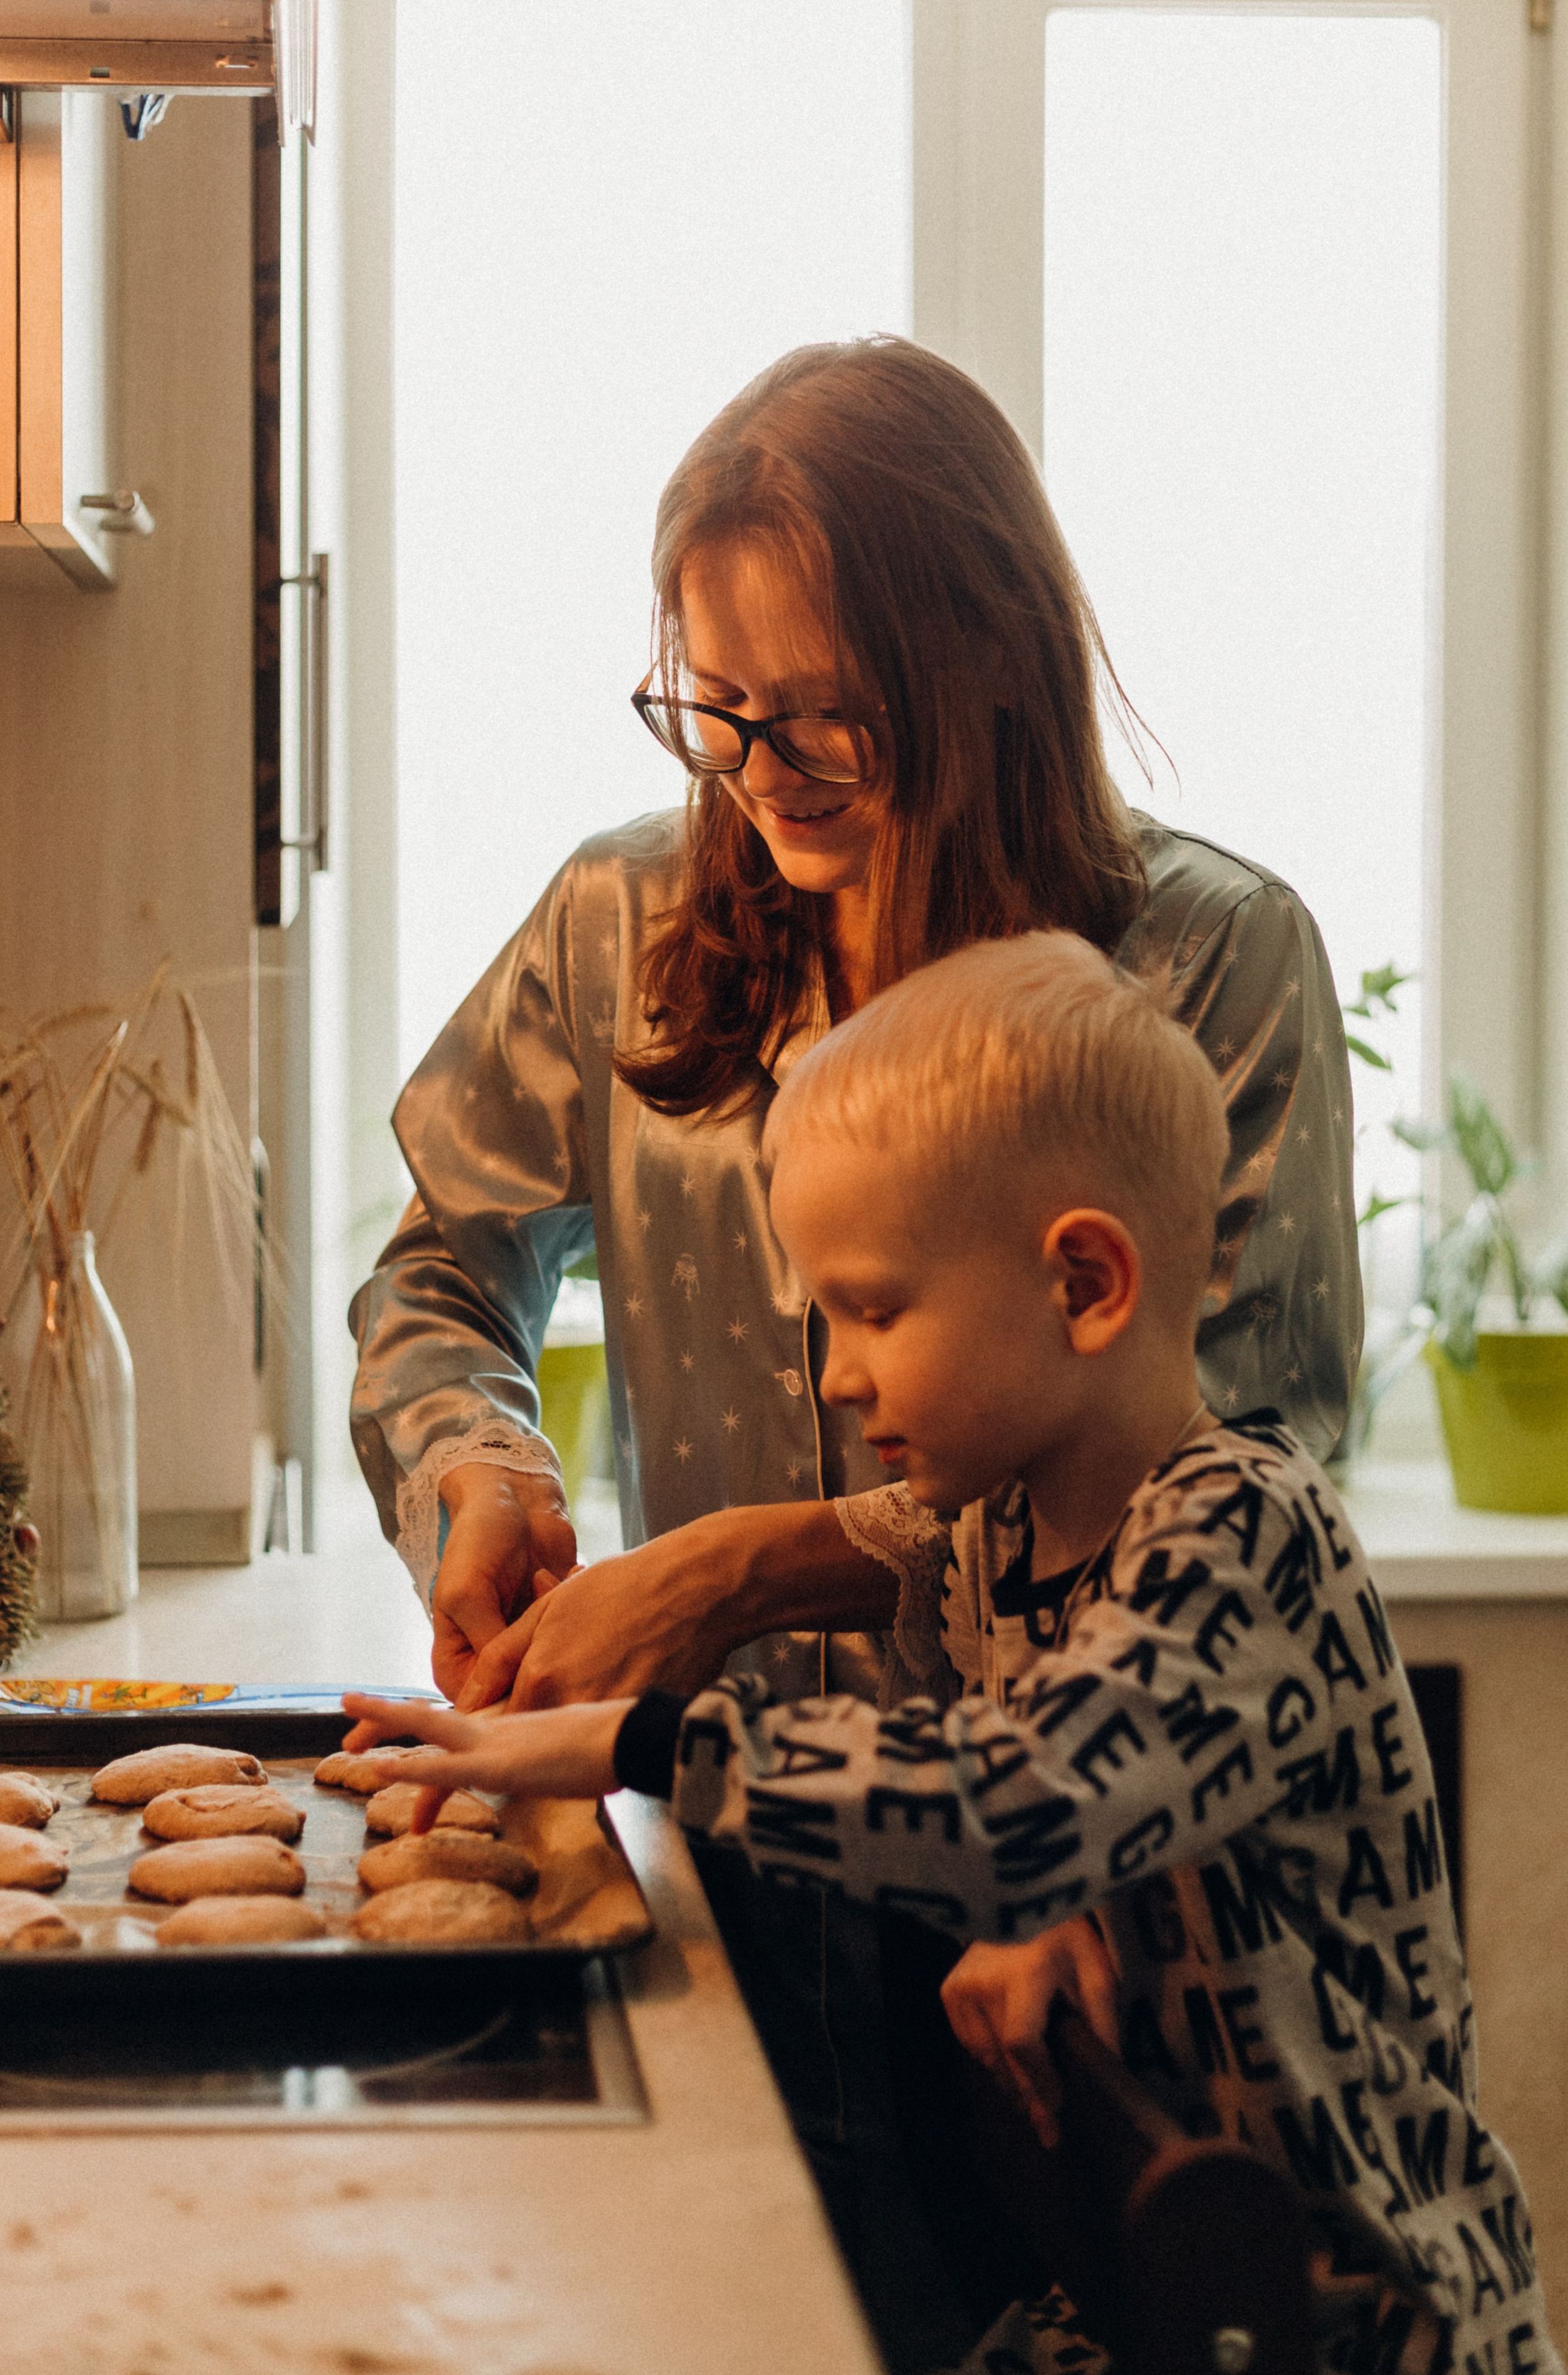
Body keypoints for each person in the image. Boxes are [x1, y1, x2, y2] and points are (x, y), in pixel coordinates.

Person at [348, 336, 1361, 2365]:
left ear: (991, 662)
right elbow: (437, 1274)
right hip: (728, 1875)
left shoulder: (1212, 963)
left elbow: (1232, 1469)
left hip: (1084, 1916)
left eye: (823, 717)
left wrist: (749, 1563)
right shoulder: (613, 923)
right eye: (710, 709)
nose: (755, 773)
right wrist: (486, 1467)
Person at [347, 935, 1553, 2375]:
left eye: (872, 1308)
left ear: (1085, 1283)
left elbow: (1023, 1804)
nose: (838, 1371)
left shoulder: (1244, 1530)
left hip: (1355, 2310)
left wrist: (634, 1739)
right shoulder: (998, 1527)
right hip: (1163, 2281)